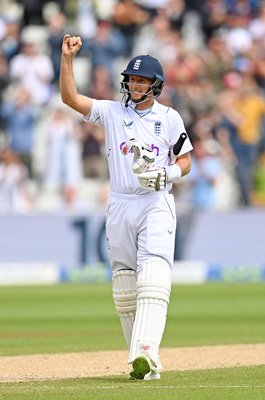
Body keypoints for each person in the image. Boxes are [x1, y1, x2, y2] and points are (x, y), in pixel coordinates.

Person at [60, 34, 193, 380]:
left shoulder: (170, 118)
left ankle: (147, 354)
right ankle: (141, 364)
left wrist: (166, 174)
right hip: (119, 204)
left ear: (155, 84)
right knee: (124, 285)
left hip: (155, 202)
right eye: (131, 79)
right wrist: (67, 59)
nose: (134, 84)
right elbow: (70, 98)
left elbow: (187, 162)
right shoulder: (112, 112)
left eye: (141, 80)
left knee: (152, 277)